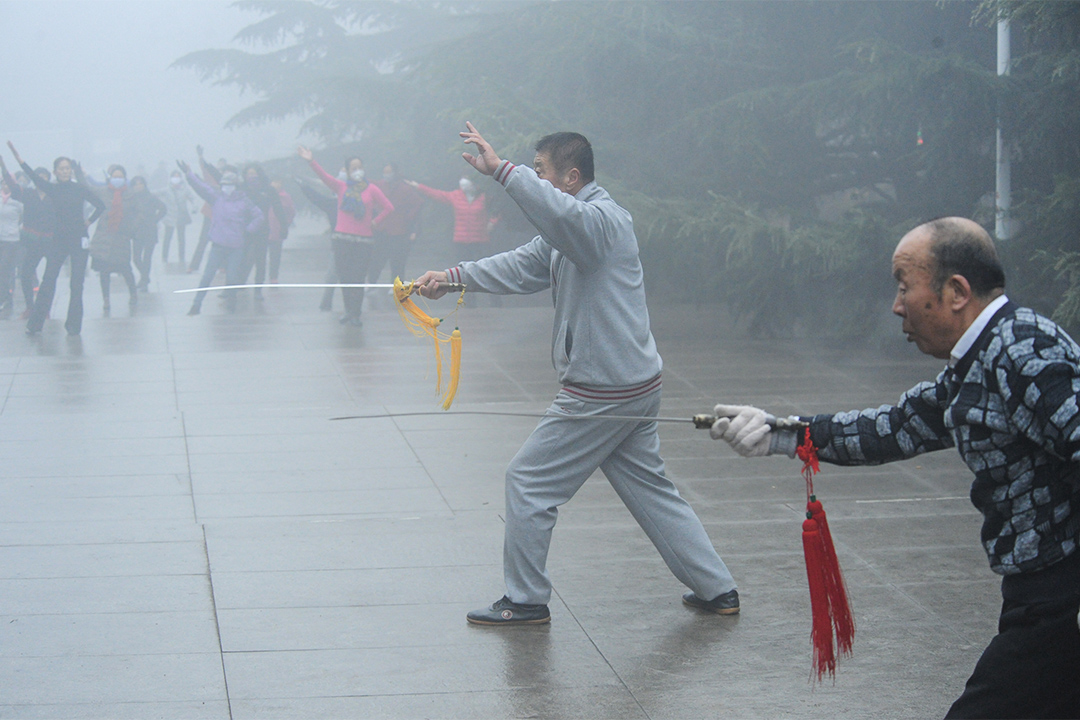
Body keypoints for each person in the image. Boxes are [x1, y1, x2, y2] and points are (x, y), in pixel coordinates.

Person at [709, 217, 1080, 718]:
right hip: (1038, 595)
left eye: (906, 287)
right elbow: (895, 426)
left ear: (956, 291)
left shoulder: (1022, 351)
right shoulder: (979, 361)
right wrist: (780, 433)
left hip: (1059, 601)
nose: (897, 305)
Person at [415, 124, 739, 625]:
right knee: (651, 488)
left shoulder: (600, 223)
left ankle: (524, 600)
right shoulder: (572, 230)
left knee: (528, 481)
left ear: (570, 177)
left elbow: (560, 219)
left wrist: (503, 171)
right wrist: (453, 277)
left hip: (603, 391)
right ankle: (717, 589)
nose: (536, 178)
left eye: (540, 171)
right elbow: (523, 265)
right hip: (630, 385)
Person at [9, 142, 106, 336]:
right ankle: (35, 324)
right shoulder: (52, 188)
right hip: (59, 240)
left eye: (67, 168)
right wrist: (20, 161)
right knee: (48, 280)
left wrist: (89, 221)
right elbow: (34, 177)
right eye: (61, 168)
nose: (65, 171)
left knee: (76, 284)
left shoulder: (79, 188)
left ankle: (73, 326)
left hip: (79, 240)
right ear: (55, 171)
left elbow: (100, 205)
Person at [297, 146, 393, 327]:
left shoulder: (372, 189)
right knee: (345, 278)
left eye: (359, 167)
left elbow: (388, 208)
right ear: (348, 171)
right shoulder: (341, 187)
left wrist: (375, 221)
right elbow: (324, 177)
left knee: (357, 278)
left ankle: (356, 313)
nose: (357, 171)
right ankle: (348, 311)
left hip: (364, 241)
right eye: (353, 168)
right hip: (342, 240)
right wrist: (311, 160)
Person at [178, 161, 263, 316]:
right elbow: (201, 187)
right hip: (218, 246)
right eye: (224, 184)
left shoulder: (244, 201)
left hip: (236, 248)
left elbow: (259, 216)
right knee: (206, 278)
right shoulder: (217, 198)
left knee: (231, 278)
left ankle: (231, 303)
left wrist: (248, 230)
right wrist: (189, 174)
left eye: (229, 184)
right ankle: (196, 305)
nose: (226, 187)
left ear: (236, 185)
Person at [0, 159, 56, 318]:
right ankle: (30, 307)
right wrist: (3, 168)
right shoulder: (28, 194)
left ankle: (45, 309)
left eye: (44, 177)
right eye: (38, 177)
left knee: (50, 277)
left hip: (51, 241)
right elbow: (13, 187)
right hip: (31, 242)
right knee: (25, 274)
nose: (41, 180)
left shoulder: (54, 195)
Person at [407, 174, 495, 264]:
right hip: (461, 241)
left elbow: (497, 207)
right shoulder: (456, 195)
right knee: (463, 269)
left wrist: (492, 222)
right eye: (462, 178)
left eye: (467, 179)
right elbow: (437, 194)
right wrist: (419, 187)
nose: (463, 181)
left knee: (481, 267)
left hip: (480, 241)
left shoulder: (484, 197)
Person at [88, 165, 140, 313]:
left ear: (125, 178)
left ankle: (133, 294)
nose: (117, 179)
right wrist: (80, 174)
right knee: (104, 271)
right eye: (114, 176)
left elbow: (138, 213)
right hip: (105, 236)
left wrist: (132, 228)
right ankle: (106, 299)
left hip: (122, 237)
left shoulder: (131, 194)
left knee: (125, 269)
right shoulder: (103, 191)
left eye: (120, 177)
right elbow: (88, 189)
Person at [369, 163, 423, 284]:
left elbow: (418, 203)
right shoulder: (379, 185)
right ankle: (371, 283)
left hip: (399, 231)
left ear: (395, 173)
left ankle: (396, 284)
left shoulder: (405, 188)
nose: (386, 175)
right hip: (381, 229)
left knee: (397, 260)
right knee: (377, 259)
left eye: (389, 172)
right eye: (385, 172)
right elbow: (368, 183)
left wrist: (408, 217)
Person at [294, 174, 340, 312]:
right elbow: (316, 198)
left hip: (357, 244)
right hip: (338, 245)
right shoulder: (332, 204)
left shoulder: (359, 201)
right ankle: (326, 303)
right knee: (332, 275)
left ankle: (349, 307)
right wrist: (304, 186)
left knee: (347, 277)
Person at [128, 176, 167, 291]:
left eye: (141, 183)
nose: (138, 186)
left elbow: (163, 209)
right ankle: (145, 277)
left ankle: (144, 280)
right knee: (136, 258)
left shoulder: (151, 197)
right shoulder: (131, 199)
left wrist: (154, 219)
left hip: (150, 230)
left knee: (147, 257)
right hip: (137, 231)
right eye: (136, 184)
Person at [159, 169, 196, 267]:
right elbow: (155, 195)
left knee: (181, 238)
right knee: (167, 238)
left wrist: (194, 207)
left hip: (181, 217)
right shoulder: (166, 190)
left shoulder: (185, 189)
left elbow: (192, 198)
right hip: (170, 217)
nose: (176, 179)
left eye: (177, 176)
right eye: (174, 176)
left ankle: (182, 257)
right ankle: (164, 257)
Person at [0, 176, 24, 314]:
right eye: (3, 184)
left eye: (8, 184)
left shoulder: (17, 203)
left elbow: (24, 217)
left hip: (12, 240)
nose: (5, 186)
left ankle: (5, 296)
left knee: (4, 268)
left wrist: (15, 229)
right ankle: (6, 296)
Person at [266, 178, 295, 284]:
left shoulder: (285, 197)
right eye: (274, 182)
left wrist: (285, 224)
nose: (276, 184)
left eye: (278, 182)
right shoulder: (265, 194)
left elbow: (291, 212)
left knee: (275, 255)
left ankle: (273, 277)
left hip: (277, 230)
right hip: (263, 229)